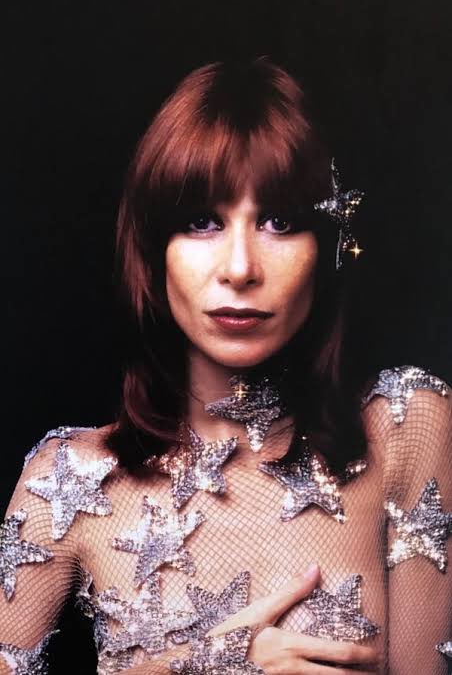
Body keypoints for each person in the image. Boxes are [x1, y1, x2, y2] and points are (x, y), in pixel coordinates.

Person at [1, 57, 451, 675]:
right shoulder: (70, 482)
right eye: (202, 222)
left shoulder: (406, 427)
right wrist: (212, 664)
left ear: (326, 250)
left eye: (280, 221)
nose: (240, 268)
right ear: (153, 251)